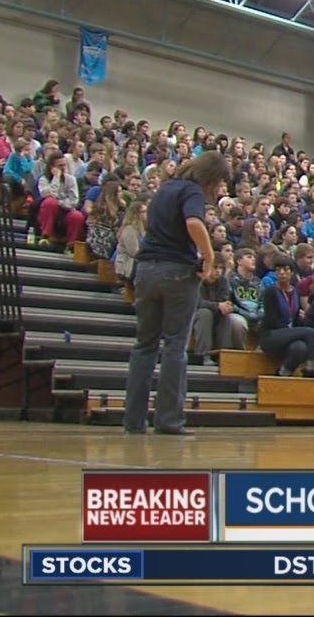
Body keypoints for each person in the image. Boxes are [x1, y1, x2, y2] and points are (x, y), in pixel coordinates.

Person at [123, 151, 229, 435]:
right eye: (218, 183)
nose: (218, 190)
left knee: (144, 346)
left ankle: (133, 421)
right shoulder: (192, 191)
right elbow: (193, 223)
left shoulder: (165, 188)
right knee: (174, 347)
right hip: (177, 272)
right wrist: (208, 257)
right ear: (211, 177)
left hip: (146, 269)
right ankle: (168, 420)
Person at [259, 255, 314, 377]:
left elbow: (296, 319)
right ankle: (309, 369)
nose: (282, 273)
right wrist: (294, 332)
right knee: (310, 332)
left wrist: (299, 321)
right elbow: (271, 320)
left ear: (292, 272)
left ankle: (282, 373)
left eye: (285, 269)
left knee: (300, 347)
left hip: (289, 334)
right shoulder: (270, 292)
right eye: (278, 270)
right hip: (271, 335)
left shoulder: (295, 292)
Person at [36, 152, 86, 247]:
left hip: (66, 210)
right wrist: (56, 177)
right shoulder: (43, 179)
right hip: (50, 212)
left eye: (64, 165)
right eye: (60, 166)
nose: (63, 168)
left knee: (77, 216)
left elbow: (74, 201)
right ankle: (46, 236)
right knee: (50, 202)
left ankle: (71, 245)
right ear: (52, 167)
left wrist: (59, 202)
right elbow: (48, 195)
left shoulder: (71, 179)